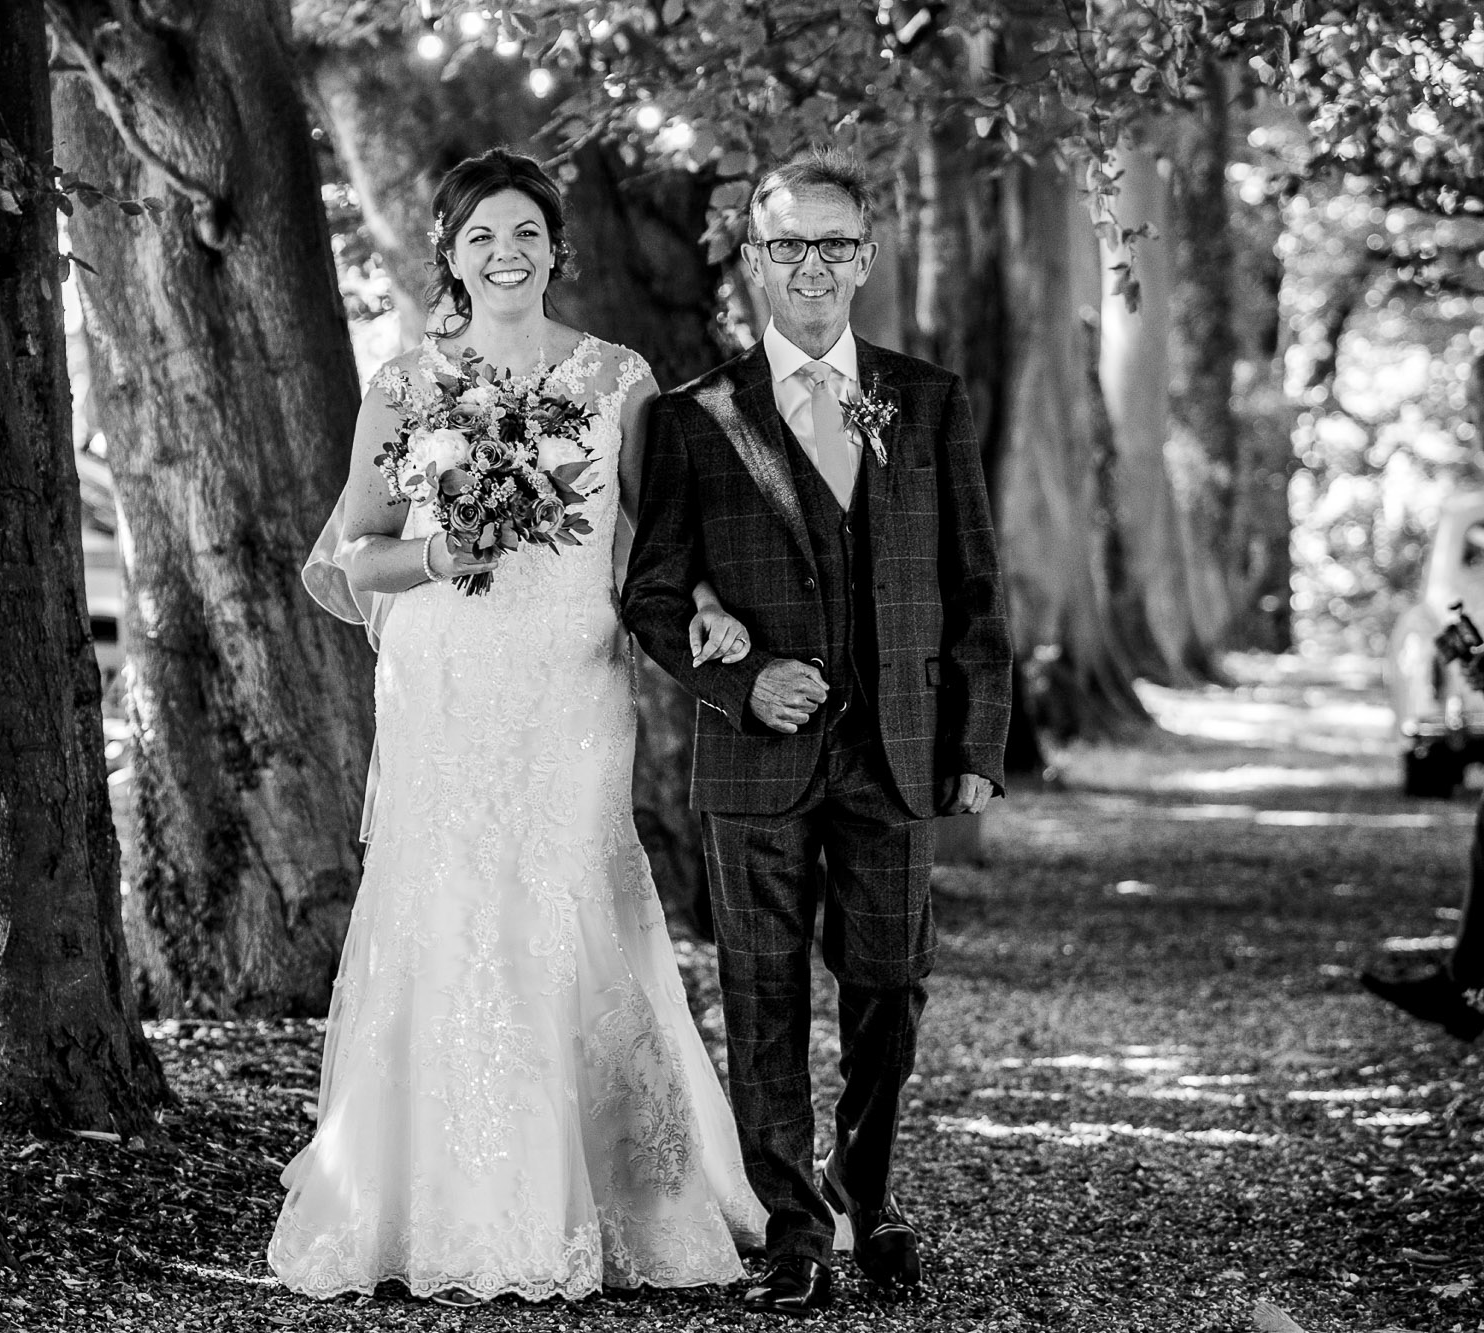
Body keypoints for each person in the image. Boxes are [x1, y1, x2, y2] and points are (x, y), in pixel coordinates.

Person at [274, 149, 764, 1306]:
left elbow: (657, 535)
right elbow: (350, 552)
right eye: (482, 235)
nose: (505, 253)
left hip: (570, 683)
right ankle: (433, 1201)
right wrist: (443, 551)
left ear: (556, 249)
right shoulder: (405, 385)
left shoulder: (617, 377)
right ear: (448, 251)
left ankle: (622, 1196)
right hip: (448, 679)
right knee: (449, 906)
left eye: (526, 234)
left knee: (571, 900)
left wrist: (703, 611)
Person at [621, 145, 1012, 1315]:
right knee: (761, 989)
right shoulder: (693, 418)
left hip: (897, 750)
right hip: (754, 761)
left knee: (890, 983)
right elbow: (650, 595)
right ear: (751, 258)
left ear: (866, 258)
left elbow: (975, 590)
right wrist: (740, 689)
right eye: (786, 243)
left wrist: (976, 745)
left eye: (834, 244)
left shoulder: (926, 398)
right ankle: (792, 1229)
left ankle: (867, 1187)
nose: (812, 266)